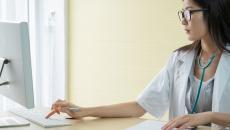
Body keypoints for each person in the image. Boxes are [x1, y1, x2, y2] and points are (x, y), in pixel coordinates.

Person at [46, 0, 230, 129]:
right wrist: (83, 111)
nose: (183, 20)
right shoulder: (180, 58)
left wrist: (209, 116)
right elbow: (140, 106)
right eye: (182, 13)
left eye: (189, 12)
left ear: (212, 12)